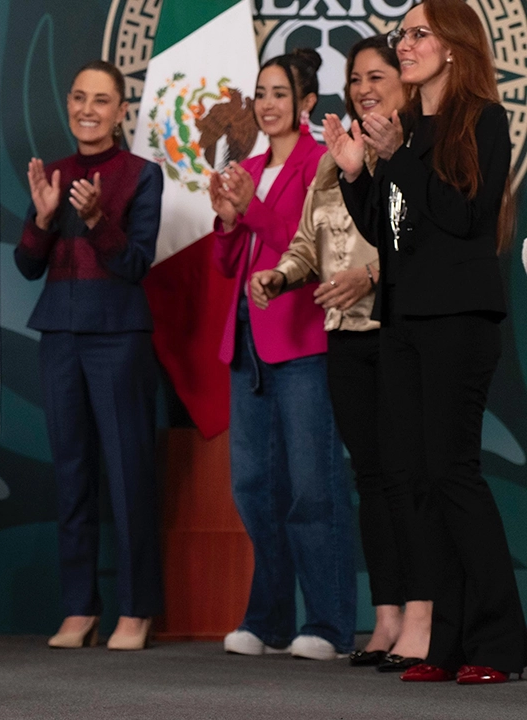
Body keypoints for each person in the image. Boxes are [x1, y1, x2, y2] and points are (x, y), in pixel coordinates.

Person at [326, 0, 527, 684]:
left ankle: (499, 643)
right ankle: (446, 644)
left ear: (453, 46)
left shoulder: (485, 122)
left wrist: (395, 160)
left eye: (416, 34)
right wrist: (359, 174)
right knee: (416, 481)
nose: (402, 45)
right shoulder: (407, 131)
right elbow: (393, 234)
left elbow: (465, 216)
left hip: (459, 321)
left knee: (453, 476)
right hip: (406, 321)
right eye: (400, 34)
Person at [251, 36, 427, 670]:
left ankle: (420, 613)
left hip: (399, 330)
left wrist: (371, 277)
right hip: (342, 335)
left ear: (404, 83)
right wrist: (281, 275)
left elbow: (423, 239)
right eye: (356, 78)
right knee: (371, 479)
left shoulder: (414, 150)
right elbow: (306, 242)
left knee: (409, 474)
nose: (364, 88)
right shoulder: (334, 158)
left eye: (377, 76)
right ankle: (383, 618)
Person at [210, 48, 357, 661]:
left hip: (301, 340)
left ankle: (327, 624)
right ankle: (268, 618)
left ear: (304, 104)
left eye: (279, 94)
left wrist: (252, 210)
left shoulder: (320, 163)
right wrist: (225, 223)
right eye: (260, 93)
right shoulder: (244, 165)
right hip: (246, 341)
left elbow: (313, 247)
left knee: (311, 488)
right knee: (251, 486)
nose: (267, 104)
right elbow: (226, 263)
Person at [16, 60, 164, 651]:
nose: (87, 109)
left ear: (121, 111)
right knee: (72, 475)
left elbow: (134, 265)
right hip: (59, 335)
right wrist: (46, 219)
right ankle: (79, 608)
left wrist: (100, 220)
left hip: (119, 337)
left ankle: (137, 609)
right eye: (79, 97)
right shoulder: (52, 173)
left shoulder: (141, 175)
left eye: (101, 100)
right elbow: (29, 265)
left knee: (128, 476)